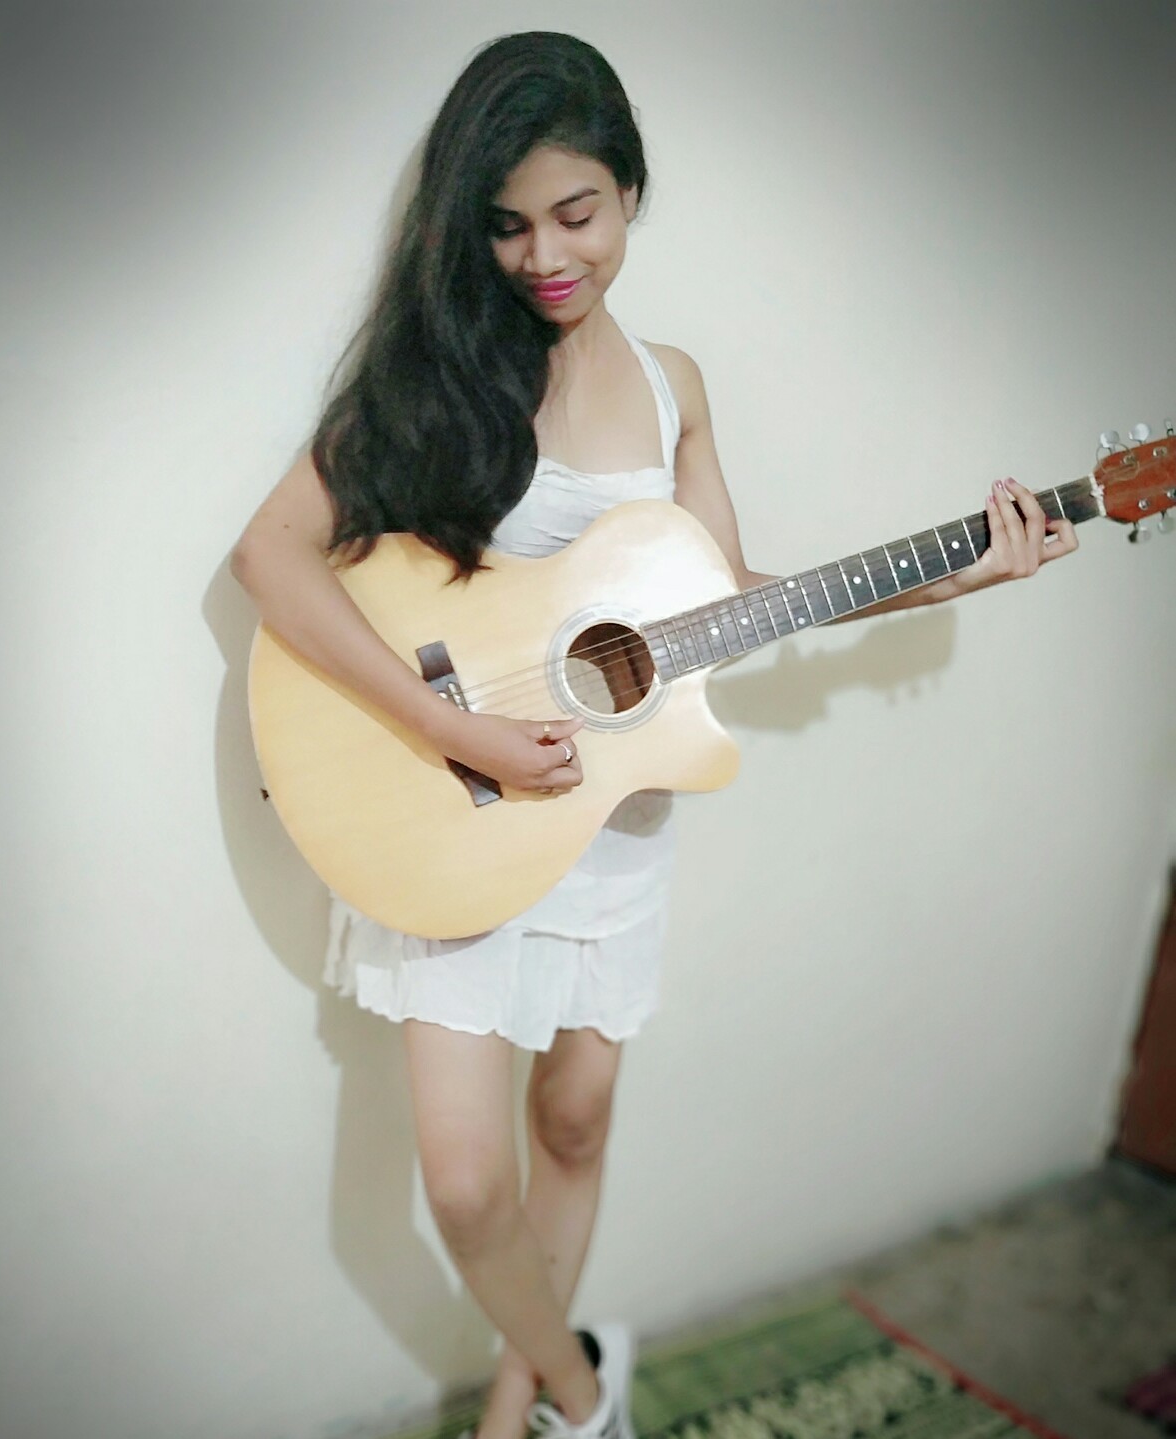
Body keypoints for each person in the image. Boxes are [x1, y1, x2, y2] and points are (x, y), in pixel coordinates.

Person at [231, 30, 1078, 1439]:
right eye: (506, 225)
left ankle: (516, 1409)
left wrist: (953, 575)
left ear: (629, 192)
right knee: (465, 1185)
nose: (544, 257)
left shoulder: (677, 384)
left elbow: (726, 607)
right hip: (456, 803)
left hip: (611, 813)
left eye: (576, 214)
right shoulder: (435, 372)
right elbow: (270, 554)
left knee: (570, 1124)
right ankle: (582, 1391)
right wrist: (457, 731)